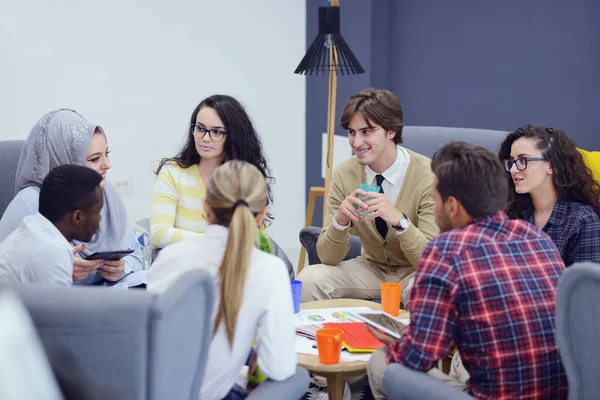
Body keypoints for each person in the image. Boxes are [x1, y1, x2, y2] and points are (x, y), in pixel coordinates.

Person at [367, 142, 568, 399]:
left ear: (452, 206)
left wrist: (397, 344)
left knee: (380, 361)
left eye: (434, 199)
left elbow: (418, 356)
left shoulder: (444, 250)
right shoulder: (535, 237)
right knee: (463, 360)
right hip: (562, 392)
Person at [148, 160, 297, 400]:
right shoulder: (269, 269)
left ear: (206, 208)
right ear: (261, 216)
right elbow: (278, 367)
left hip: (150, 392)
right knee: (296, 375)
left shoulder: (169, 257)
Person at [298, 88, 438, 306]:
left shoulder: (428, 175)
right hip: (370, 268)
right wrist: (340, 222)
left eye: (366, 131)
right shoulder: (344, 174)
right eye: (352, 132)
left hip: (415, 272)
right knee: (308, 280)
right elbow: (328, 258)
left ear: (391, 131)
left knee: (429, 292)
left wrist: (400, 222)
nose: (356, 142)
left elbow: (431, 261)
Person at [0, 109, 144, 285]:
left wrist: (123, 267)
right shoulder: (30, 201)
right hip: (61, 301)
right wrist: (56, 267)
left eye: (107, 153)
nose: (107, 165)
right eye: (94, 159)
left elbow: (137, 257)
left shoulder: (106, 192)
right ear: (63, 158)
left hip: (110, 295)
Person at [151, 94, 273, 249]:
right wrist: (218, 241)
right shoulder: (172, 172)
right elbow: (159, 234)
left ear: (234, 136)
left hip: (234, 269)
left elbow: (260, 242)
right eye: (200, 128)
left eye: (217, 132)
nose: (205, 138)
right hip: (185, 267)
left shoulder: (246, 177)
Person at [499, 125, 600, 266]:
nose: (514, 169)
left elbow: (585, 285)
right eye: (512, 161)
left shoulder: (582, 220)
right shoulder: (512, 213)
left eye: (523, 160)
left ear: (551, 166)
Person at [0, 165, 103, 286]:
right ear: (77, 217)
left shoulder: (33, 226)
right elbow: (60, 305)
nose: (100, 218)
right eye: (98, 212)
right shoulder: (54, 251)